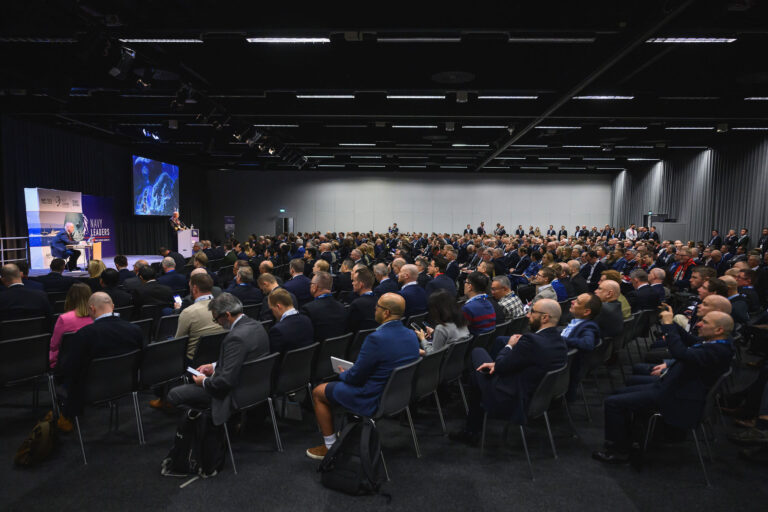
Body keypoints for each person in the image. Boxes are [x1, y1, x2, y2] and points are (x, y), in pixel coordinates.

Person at [593, 307, 734, 464]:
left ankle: (618, 451)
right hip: (674, 387)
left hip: (675, 396)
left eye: (705, 322)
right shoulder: (717, 343)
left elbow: (680, 352)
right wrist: (671, 321)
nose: (699, 324)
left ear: (719, 329)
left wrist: (667, 325)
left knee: (613, 403)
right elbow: (689, 340)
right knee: (619, 394)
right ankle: (628, 439)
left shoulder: (718, 350)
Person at [306, 293, 420, 460]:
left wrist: (344, 374)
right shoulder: (411, 334)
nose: (374, 310)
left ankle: (329, 446)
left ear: (386, 313)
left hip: (370, 397)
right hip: (398, 396)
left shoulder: (376, 339)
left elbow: (355, 378)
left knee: (318, 392)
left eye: (377, 307)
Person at [449, 298, 566, 445]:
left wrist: (509, 346)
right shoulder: (559, 340)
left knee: (477, 356)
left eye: (532, 312)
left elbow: (503, 364)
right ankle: (472, 427)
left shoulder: (531, 341)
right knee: (480, 372)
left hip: (511, 396)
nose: (528, 315)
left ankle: (472, 428)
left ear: (545, 317)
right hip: (535, 396)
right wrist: (497, 365)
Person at [167, 293, 269, 426]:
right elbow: (244, 359)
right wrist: (214, 366)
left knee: (174, 394)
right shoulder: (257, 326)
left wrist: (204, 382)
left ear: (227, 315)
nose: (218, 324)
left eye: (216, 319)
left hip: (231, 393)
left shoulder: (235, 337)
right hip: (257, 387)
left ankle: (194, 428)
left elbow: (224, 382)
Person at [56, 292, 143, 431]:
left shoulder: (84, 335)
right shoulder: (136, 330)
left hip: (91, 391)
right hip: (126, 384)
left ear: (92, 309)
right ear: (113, 306)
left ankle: (68, 416)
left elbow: (70, 368)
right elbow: (141, 360)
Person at [173, 272, 225, 363]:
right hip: (220, 358)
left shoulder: (188, 312)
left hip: (194, 364)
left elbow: (178, 345)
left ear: (195, 289)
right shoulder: (225, 307)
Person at [561, 293, 602, 401]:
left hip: (563, 371)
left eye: (577, 302)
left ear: (586, 312)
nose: (572, 301)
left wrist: (561, 340)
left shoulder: (589, 326)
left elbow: (587, 344)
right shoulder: (578, 322)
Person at [48, 282, 93, 369]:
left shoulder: (64, 319)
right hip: (90, 361)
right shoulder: (96, 316)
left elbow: (53, 346)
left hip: (66, 364)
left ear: (70, 297)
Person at [414, 290, 470, 355]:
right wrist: (434, 332)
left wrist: (422, 338)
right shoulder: (462, 320)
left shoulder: (441, 328)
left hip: (445, 362)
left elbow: (434, 354)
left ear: (436, 310)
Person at [300, 271, 347, 343]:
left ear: (315, 287)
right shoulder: (342, 308)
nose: (310, 286)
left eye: (311, 284)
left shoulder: (308, 310)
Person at [268, 288, 314, 354]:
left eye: (271, 309)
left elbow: (275, 360)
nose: (272, 313)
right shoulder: (307, 320)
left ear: (278, 306)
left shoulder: (277, 330)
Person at [346, 267, 378, 333]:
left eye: (354, 281)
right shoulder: (378, 300)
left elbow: (349, 329)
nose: (352, 283)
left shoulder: (357, 304)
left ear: (360, 285)